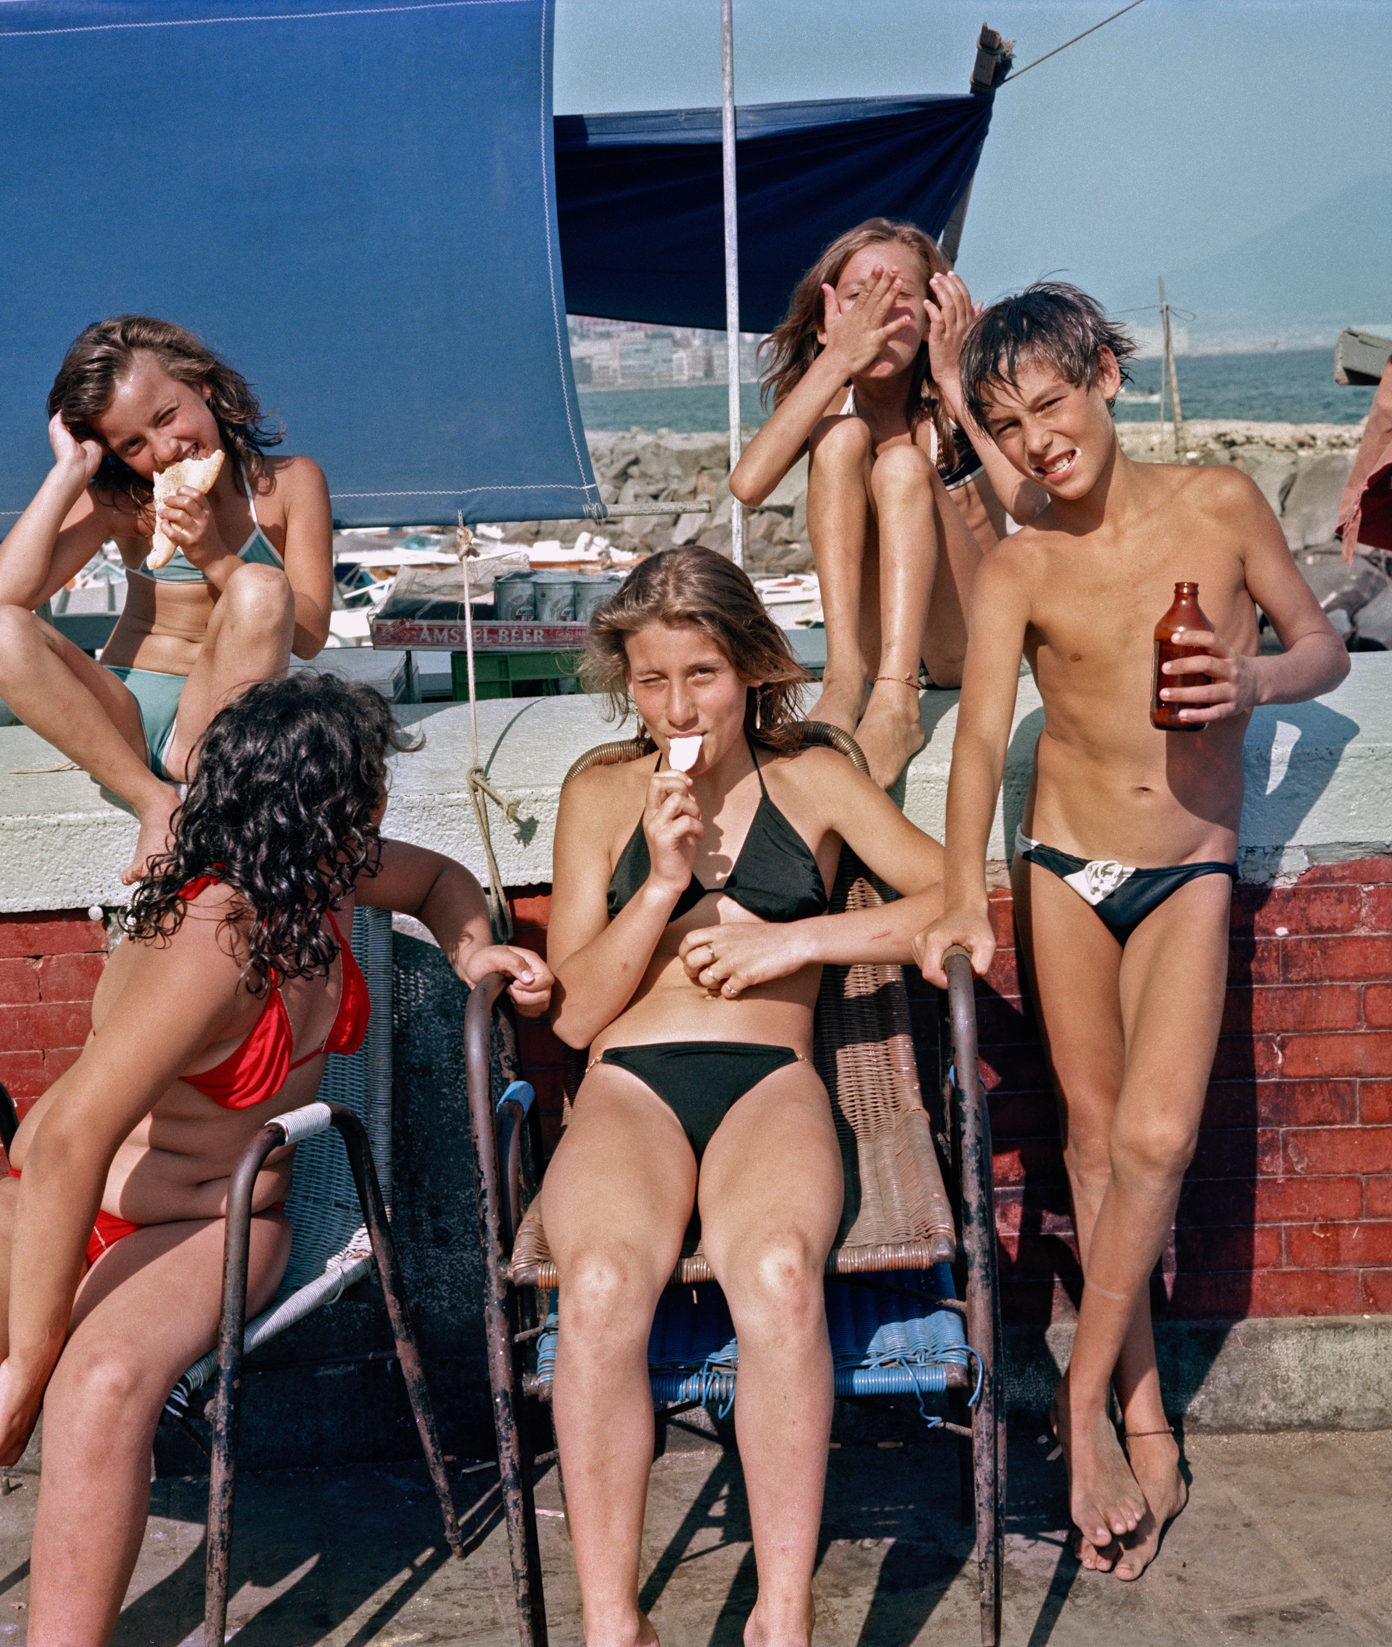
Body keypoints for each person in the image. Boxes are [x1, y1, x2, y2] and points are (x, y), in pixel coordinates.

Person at [0, 672, 548, 1647]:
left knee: (97, 1397)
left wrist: (472, 953)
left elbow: (439, 881)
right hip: (64, 1193)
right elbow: (61, 1143)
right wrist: (25, 1355)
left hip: (208, 1222)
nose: (378, 812)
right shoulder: (212, 932)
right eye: (367, 792)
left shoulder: (319, 873)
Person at [913, 283, 1350, 1581]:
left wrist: (1251, 677)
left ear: (1107, 374)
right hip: (1062, 868)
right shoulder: (1019, 560)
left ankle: (1077, 1395)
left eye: (1053, 400)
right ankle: (1133, 1422)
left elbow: (1322, 650)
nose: (1040, 434)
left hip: (1189, 867)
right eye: (1008, 418)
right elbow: (980, 741)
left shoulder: (1217, 500)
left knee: (1158, 1137)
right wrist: (952, 890)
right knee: (1096, 1150)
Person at [543, 546, 947, 1647]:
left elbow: (960, 898)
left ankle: (781, 1615)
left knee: (772, 1276)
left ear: (753, 669)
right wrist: (662, 886)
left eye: (701, 675)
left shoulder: (809, 775)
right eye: (651, 679)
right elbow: (573, 1017)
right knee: (596, 1287)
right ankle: (610, 1624)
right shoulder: (599, 789)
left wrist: (796, 941)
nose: (677, 704)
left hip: (771, 1079)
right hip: (628, 1083)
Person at [0, 316, 334, 884]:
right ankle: (154, 802)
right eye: (133, 443)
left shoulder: (290, 484)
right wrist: (71, 473)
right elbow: (5, 595)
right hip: (122, 718)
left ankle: (206, 792)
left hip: (214, 730)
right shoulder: (123, 500)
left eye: (168, 416)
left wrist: (215, 556)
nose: (165, 450)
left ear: (204, 385)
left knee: (260, 586)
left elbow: (310, 638)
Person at [728, 219, 1006, 788]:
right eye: (861, 298)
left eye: (900, 297)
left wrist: (954, 374)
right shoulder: (832, 395)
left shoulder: (964, 395)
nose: (879, 315)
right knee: (841, 438)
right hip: (875, 644)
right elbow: (749, 485)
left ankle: (898, 703)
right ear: (830, 312)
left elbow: (1029, 503)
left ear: (935, 310)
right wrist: (837, 357)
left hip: (965, 643)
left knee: (903, 464)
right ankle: (843, 679)